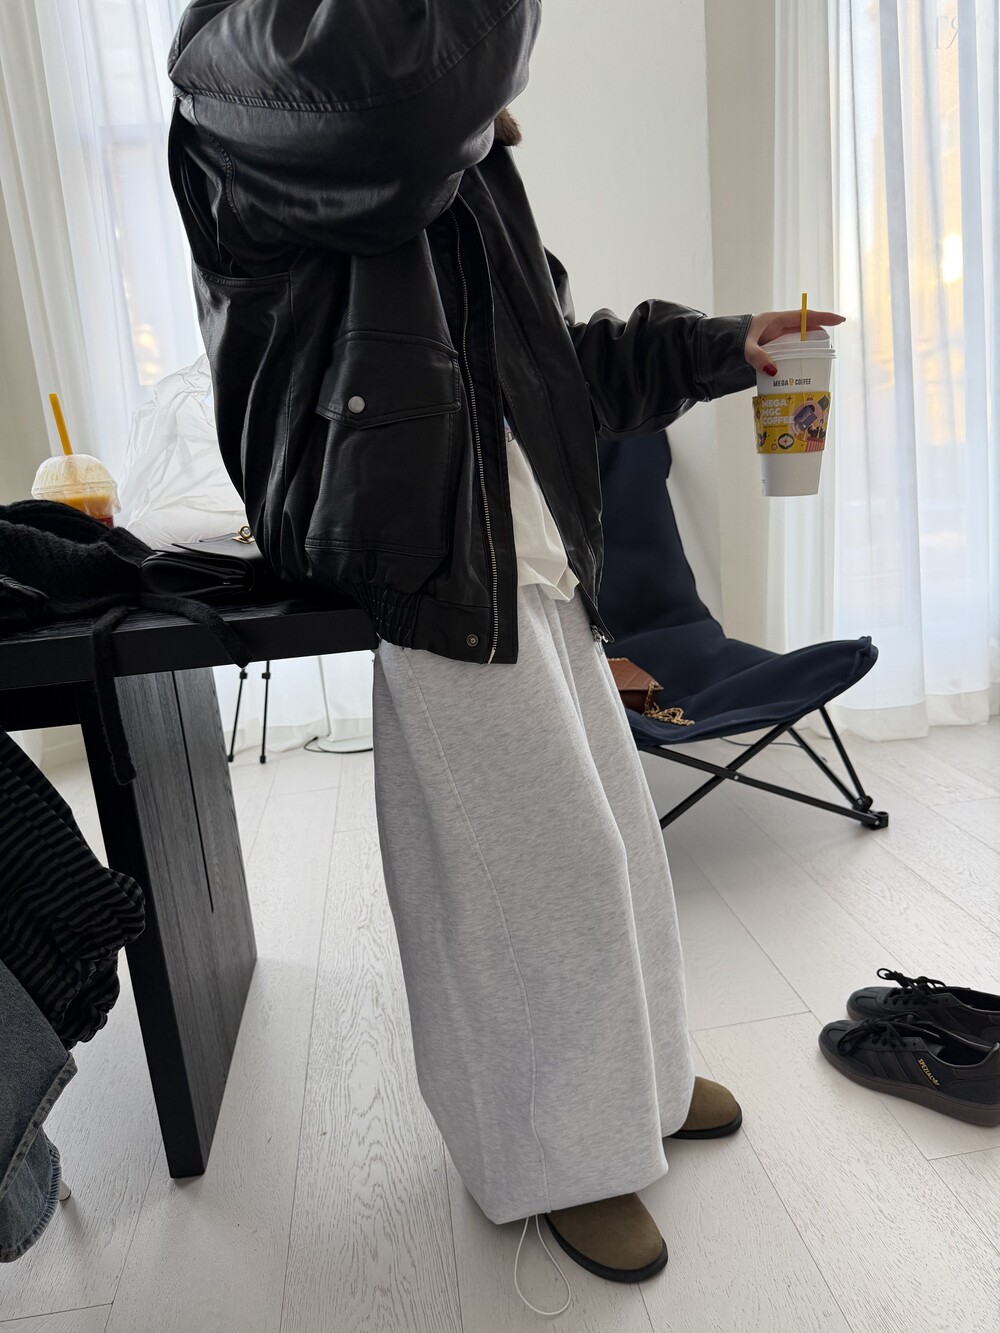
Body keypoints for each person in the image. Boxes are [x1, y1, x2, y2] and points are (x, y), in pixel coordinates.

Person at [167, 0, 844, 1295]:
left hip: (528, 543)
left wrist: (725, 349)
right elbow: (412, 87)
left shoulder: (449, 160)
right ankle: (556, 1155)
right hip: (422, 538)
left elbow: (554, 369)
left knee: (613, 846)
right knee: (530, 877)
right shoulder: (240, 55)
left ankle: (638, 1086)